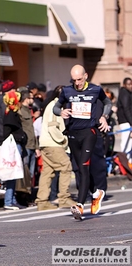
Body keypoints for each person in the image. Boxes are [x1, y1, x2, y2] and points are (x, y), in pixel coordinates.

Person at [53, 64, 111, 220]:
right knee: (79, 169)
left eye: (79, 79)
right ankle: (96, 192)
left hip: (89, 132)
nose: (77, 83)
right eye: (74, 80)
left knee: (85, 166)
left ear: (86, 76)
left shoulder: (95, 89)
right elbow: (56, 107)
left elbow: (108, 103)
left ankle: (80, 205)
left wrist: (103, 117)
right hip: (73, 133)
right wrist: (62, 111)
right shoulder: (67, 91)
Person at [35, 85, 76, 211]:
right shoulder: (54, 106)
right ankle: (64, 198)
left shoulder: (51, 105)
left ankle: (42, 201)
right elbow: (53, 127)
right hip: (53, 143)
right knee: (66, 166)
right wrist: (63, 140)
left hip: (46, 143)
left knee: (48, 172)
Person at [115, 77, 132, 154]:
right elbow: (126, 108)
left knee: (129, 143)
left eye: (131, 84)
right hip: (126, 122)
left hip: (127, 121)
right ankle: (124, 162)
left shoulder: (128, 93)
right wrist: (131, 122)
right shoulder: (124, 93)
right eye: (128, 84)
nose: (130, 86)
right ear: (124, 85)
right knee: (126, 143)